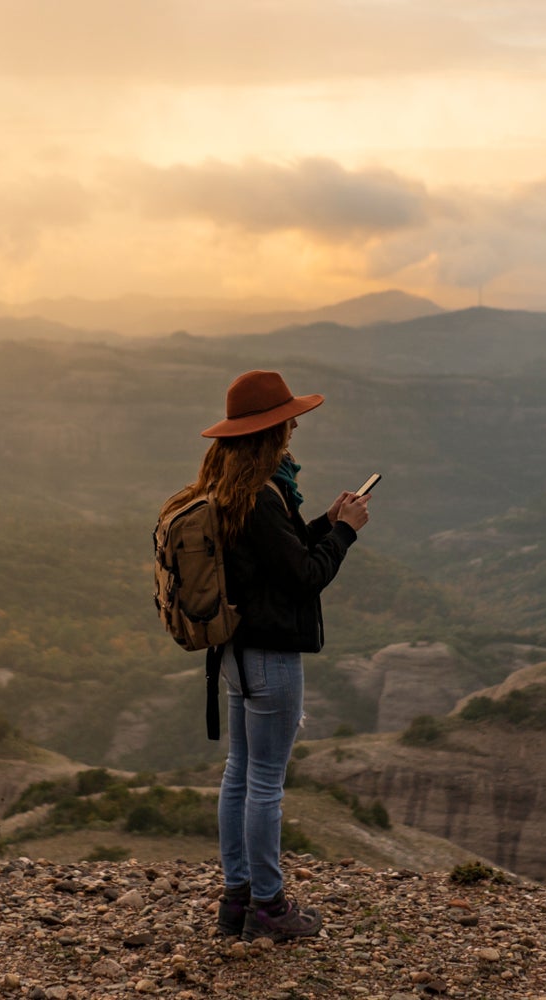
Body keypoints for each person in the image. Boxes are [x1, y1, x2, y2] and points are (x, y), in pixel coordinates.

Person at [164, 369, 369, 942]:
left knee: (239, 774)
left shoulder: (233, 489)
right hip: (270, 657)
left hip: (232, 652)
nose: (296, 425)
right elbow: (304, 577)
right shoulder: (261, 494)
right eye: (288, 419)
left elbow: (275, 557)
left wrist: (325, 521)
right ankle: (271, 908)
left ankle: (237, 900)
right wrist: (346, 533)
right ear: (269, 430)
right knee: (266, 784)